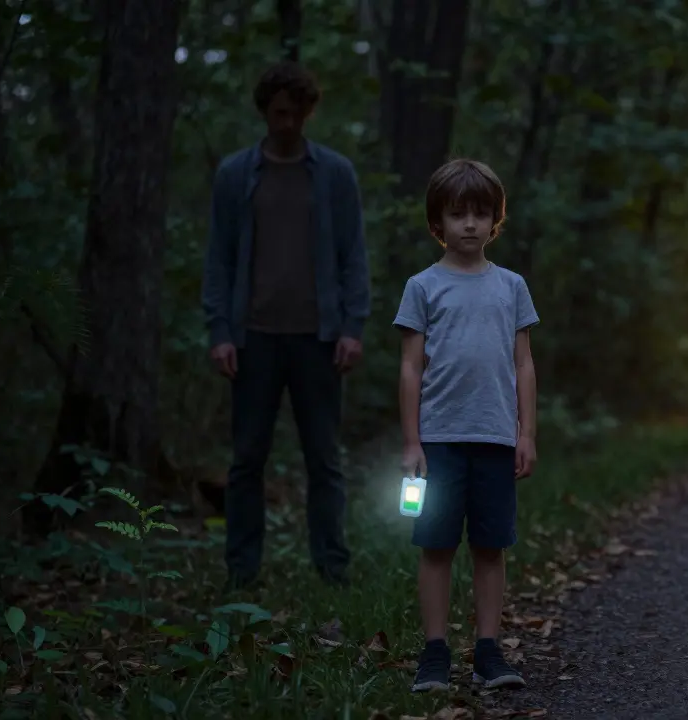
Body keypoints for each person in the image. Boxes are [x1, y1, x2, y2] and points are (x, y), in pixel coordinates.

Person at [201, 61, 371, 591]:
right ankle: (242, 572)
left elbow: (353, 256)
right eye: (278, 112)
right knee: (247, 460)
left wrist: (352, 327)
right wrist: (221, 332)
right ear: (264, 111)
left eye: (296, 113)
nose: (287, 123)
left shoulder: (334, 174)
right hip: (253, 339)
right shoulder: (235, 175)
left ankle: (332, 569)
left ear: (308, 112)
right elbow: (219, 259)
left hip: (318, 339)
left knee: (324, 459)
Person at [392, 158, 539, 691]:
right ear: (438, 224)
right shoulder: (422, 287)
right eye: (458, 214)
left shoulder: (512, 286)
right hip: (438, 441)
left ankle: (487, 651)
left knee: (489, 546)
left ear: (495, 220)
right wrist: (412, 441)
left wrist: (526, 433)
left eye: (481, 213)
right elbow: (411, 365)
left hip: (496, 438)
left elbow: (524, 363)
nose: (470, 224)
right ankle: (434, 653)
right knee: (435, 545)